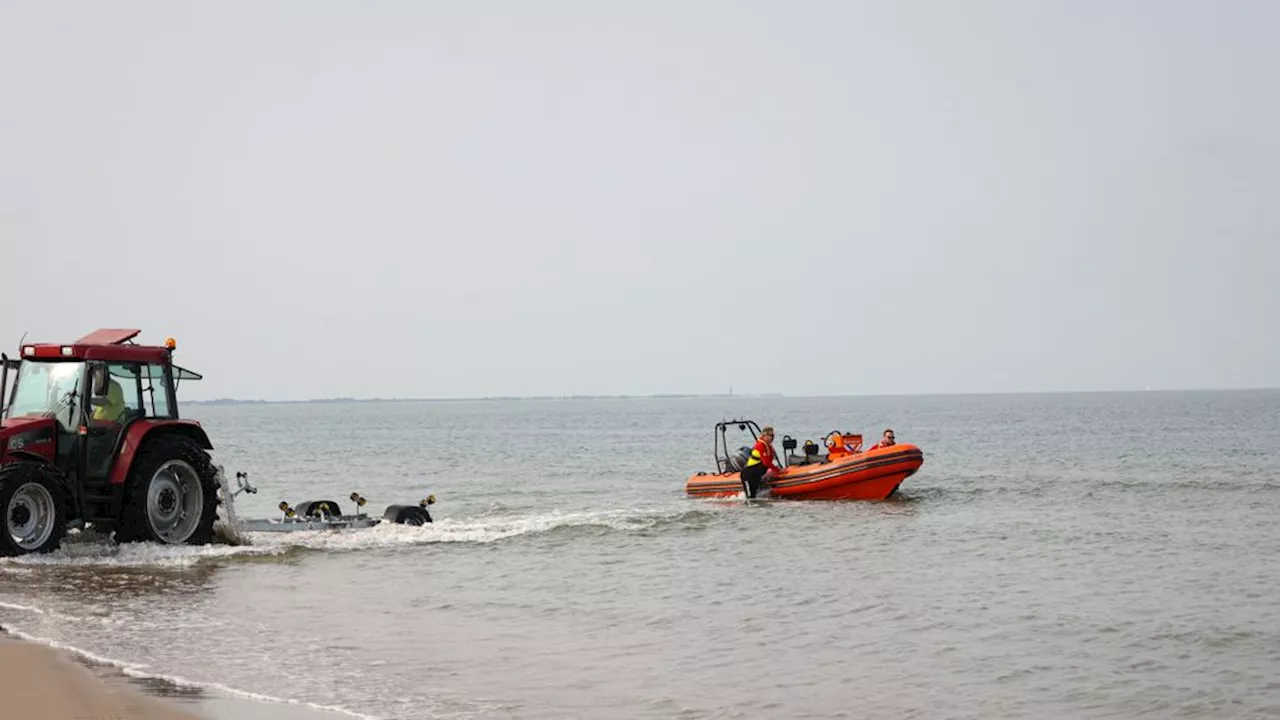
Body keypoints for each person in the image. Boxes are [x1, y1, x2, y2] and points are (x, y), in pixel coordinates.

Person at [741, 426, 782, 499]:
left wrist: (777, 469)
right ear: (764, 435)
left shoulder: (769, 446)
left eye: (772, 436)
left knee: (756, 495)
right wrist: (777, 470)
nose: (771, 438)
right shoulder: (760, 445)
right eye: (769, 435)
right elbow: (766, 463)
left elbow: (769, 462)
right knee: (751, 497)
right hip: (748, 474)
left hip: (757, 474)